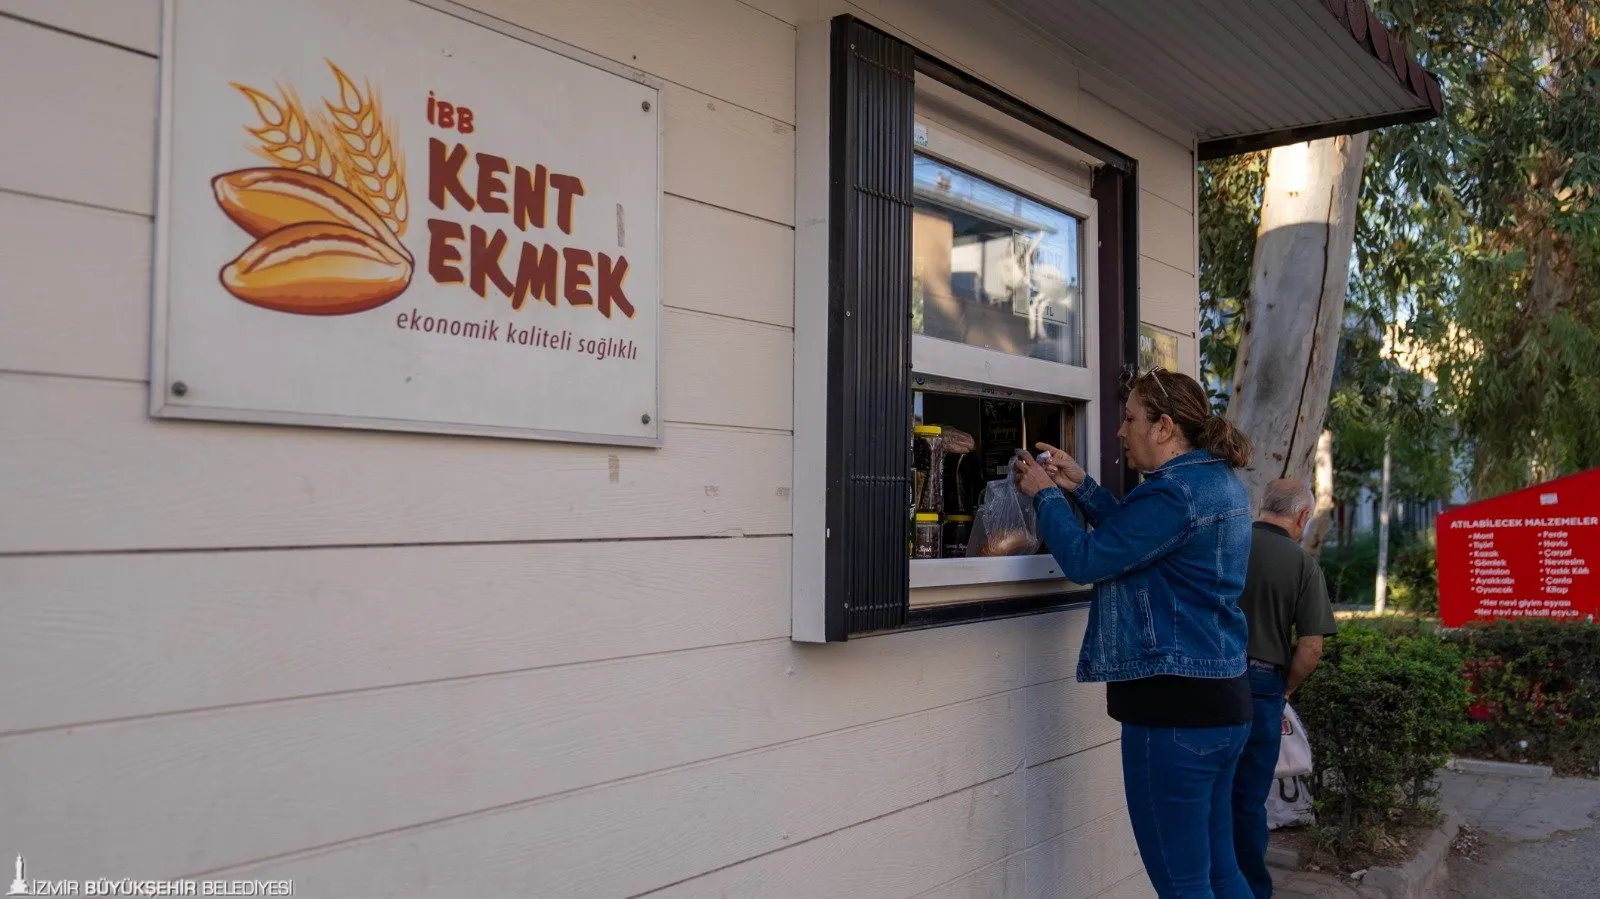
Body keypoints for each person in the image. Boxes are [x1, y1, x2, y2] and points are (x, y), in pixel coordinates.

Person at [1013, 368, 1256, 899]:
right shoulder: (1217, 482)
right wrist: (1083, 488)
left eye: (1129, 419)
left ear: (1164, 426)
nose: (1120, 432)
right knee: (1221, 872)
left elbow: (1086, 559)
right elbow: (1144, 541)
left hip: (1172, 712)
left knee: (1184, 885)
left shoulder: (1173, 495)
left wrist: (1045, 497)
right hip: (1223, 704)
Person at [1230, 479, 1338, 899]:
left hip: (1206, 677)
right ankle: (1251, 891)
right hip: (1260, 683)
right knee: (1248, 800)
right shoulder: (1302, 564)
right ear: (1302, 517)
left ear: (1261, 506)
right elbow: (1311, 649)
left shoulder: (1227, 544)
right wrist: (1285, 689)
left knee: (1208, 794)